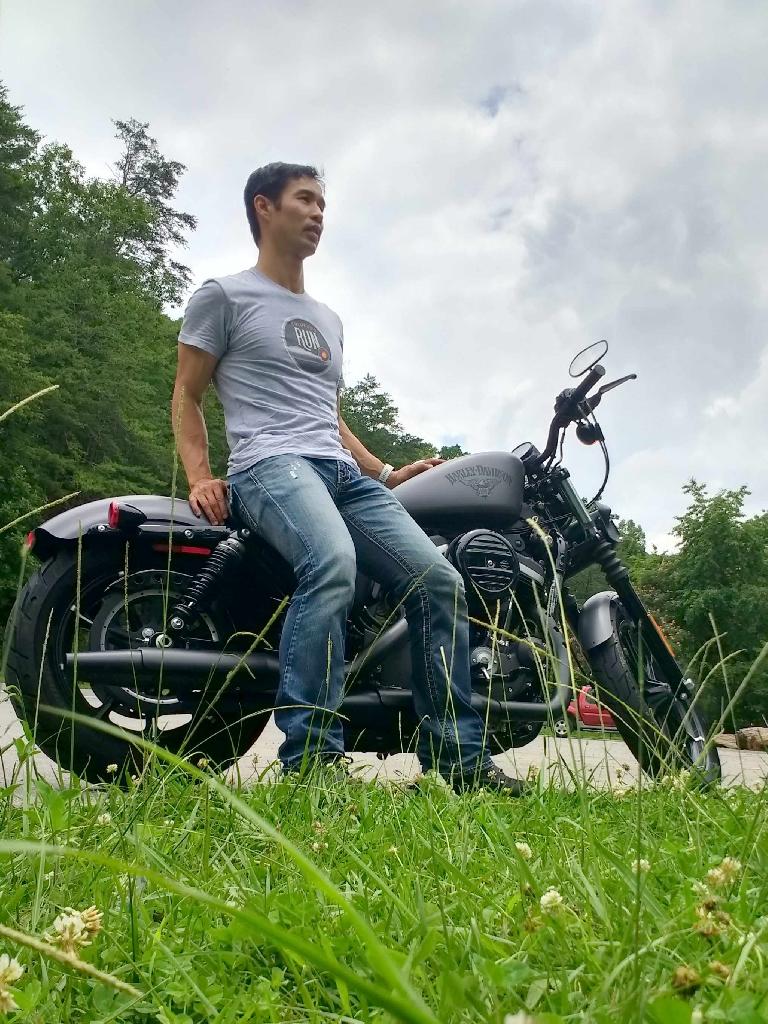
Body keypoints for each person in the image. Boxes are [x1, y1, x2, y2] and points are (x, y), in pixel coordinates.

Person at [172, 162, 525, 794]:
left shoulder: (328, 319)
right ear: (263, 208)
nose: (318, 214)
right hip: (267, 467)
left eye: (322, 204)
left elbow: (327, 417)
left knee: (438, 580)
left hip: (338, 474)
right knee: (330, 561)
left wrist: (386, 471)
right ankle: (311, 764)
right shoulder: (223, 296)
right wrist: (201, 475)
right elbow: (187, 394)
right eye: (304, 200)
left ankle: (460, 762)